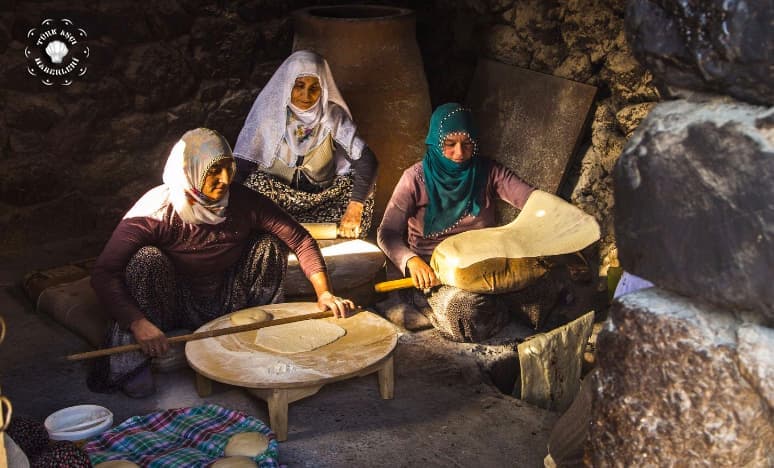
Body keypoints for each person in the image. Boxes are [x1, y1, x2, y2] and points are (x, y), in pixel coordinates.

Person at [90, 128, 355, 398]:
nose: (225, 180)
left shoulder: (243, 201)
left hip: (226, 298)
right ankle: (139, 357)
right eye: (214, 171)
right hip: (171, 303)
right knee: (146, 260)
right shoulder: (157, 211)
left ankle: (259, 337)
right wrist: (136, 323)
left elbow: (299, 239)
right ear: (190, 171)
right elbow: (104, 272)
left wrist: (324, 292)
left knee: (268, 245)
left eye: (229, 169)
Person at [377, 103, 541, 342]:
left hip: (487, 265)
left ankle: (498, 303)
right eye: (449, 144)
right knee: (465, 313)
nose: (459, 153)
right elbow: (387, 232)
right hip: (437, 273)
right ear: (434, 143)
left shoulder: (488, 171)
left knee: (546, 288)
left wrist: (556, 217)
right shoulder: (414, 179)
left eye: (466, 144)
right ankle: (424, 301)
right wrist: (411, 261)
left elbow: (531, 199)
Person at [233, 50, 378, 239]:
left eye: (314, 87)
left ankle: (285, 232)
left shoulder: (332, 116)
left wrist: (355, 206)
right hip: (278, 203)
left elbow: (367, 161)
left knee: (362, 190)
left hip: (321, 200)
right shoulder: (270, 115)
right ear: (287, 85)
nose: (306, 95)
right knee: (255, 184)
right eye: (299, 86)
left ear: (323, 88)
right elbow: (243, 165)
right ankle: (283, 229)